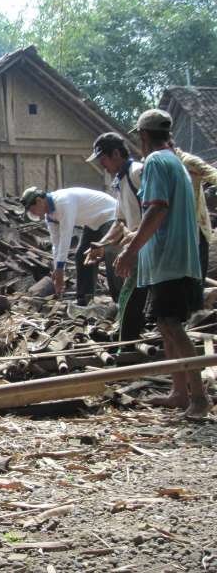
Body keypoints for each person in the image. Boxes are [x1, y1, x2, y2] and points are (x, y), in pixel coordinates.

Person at [114, 108, 212, 419]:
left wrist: (131, 250)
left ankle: (198, 397)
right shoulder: (176, 161)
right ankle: (179, 392)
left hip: (169, 259)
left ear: (142, 136)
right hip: (175, 259)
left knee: (172, 325)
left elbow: (156, 210)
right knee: (165, 324)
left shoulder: (156, 161)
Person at [84, 132, 147, 342]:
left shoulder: (138, 172)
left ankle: (126, 341)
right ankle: (130, 334)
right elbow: (119, 222)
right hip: (138, 244)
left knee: (129, 292)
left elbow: (157, 209)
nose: (102, 165)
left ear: (117, 154)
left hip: (148, 242)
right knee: (132, 291)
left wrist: (135, 240)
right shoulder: (120, 182)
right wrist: (101, 244)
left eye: (103, 159)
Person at [20, 186, 119, 305]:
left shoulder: (63, 201)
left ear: (40, 201)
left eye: (32, 209)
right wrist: (57, 270)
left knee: (110, 253)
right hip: (93, 222)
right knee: (82, 256)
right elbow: (56, 244)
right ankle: (84, 301)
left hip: (110, 214)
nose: (33, 213)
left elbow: (65, 237)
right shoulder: (50, 216)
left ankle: (119, 299)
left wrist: (61, 270)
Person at [172, 144, 217, 280]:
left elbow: (214, 175)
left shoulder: (189, 162)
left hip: (196, 227)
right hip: (176, 231)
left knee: (196, 278)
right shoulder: (159, 165)